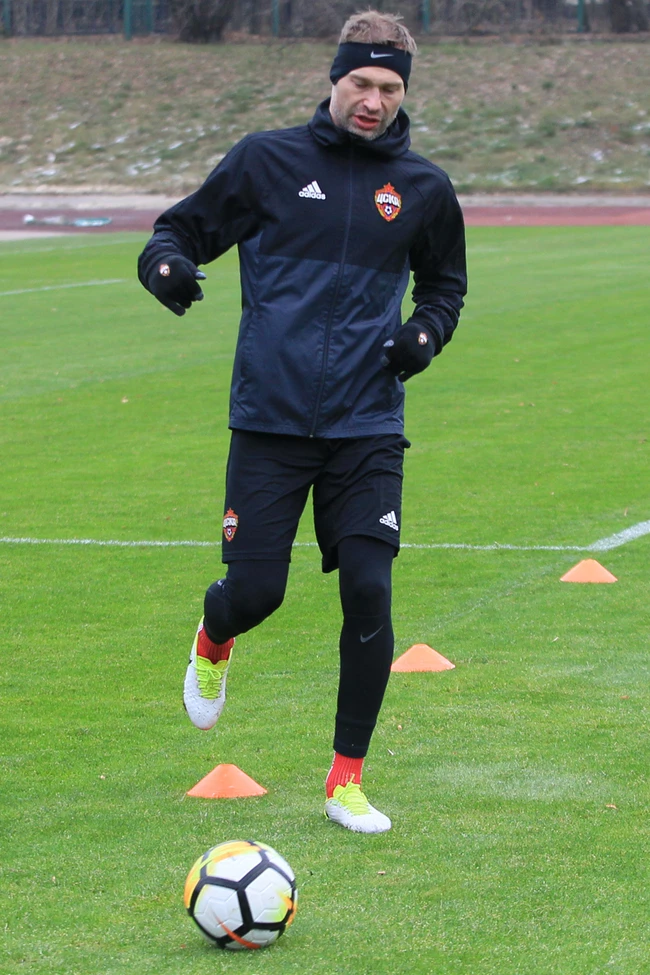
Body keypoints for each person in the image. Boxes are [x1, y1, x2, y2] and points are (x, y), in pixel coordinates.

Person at [138, 10, 467, 833]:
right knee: (257, 591)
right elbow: (179, 230)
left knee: (369, 589)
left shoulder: (423, 188)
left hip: (367, 422)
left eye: (389, 88)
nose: (373, 101)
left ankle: (346, 780)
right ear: (334, 79)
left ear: (404, 93)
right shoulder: (267, 161)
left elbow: (445, 288)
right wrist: (167, 266)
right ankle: (216, 633)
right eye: (360, 83)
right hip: (271, 419)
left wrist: (423, 335)